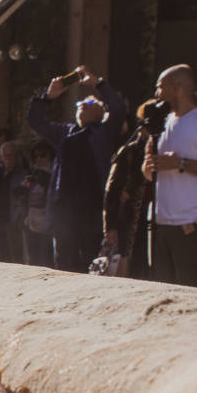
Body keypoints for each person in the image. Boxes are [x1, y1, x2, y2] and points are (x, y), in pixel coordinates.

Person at [27, 65, 127, 271]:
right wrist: (48, 96)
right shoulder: (66, 133)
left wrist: (97, 83)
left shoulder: (105, 133)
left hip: (93, 211)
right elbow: (35, 121)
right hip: (64, 211)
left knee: (91, 262)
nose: (82, 104)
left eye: (89, 102)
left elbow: (118, 109)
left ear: (101, 112)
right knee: (64, 264)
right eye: (79, 102)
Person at [142, 64, 197, 289]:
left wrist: (181, 163)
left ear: (177, 88)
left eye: (160, 87)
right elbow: (148, 175)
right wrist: (148, 164)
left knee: (190, 292)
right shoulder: (162, 124)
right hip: (160, 223)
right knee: (161, 292)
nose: (156, 94)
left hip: (191, 224)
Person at [103, 100, 156, 278]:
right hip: (130, 221)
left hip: (158, 219)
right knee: (128, 269)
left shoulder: (166, 146)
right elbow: (112, 189)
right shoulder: (130, 152)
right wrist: (110, 226)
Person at [0, 142, 28, 263]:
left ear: (16, 156)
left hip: (12, 221)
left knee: (15, 259)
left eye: (11, 155)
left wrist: (19, 219)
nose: (8, 158)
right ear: (1, 157)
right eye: (5, 155)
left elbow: (23, 198)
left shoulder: (22, 175)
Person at [21, 141, 55, 268]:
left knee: (46, 260)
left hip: (47, 222)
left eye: (42, 155)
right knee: (33, 260)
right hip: (30, 221)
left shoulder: (54, 173)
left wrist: (43, 177)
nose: (39, 159)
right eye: (35, 156)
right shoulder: (31, 173)